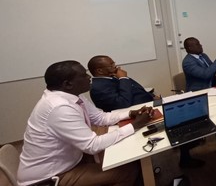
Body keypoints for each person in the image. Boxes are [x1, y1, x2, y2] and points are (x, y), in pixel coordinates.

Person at [17, 60, 153, 186]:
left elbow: (100, 117)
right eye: (84, 75)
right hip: (49, 178)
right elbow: (92, 145)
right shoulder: (59, 108)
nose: (89, 77)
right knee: (128, 169)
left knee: (122, 154)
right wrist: (134, 125)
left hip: (69, 160)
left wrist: (130, 114)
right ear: (67, 84)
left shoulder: (72, 95)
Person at [182, 37, 216, 145]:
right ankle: (203, 135)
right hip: (199, 91)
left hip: (213, 87)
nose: (201, 45)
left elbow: (212, 70)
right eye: (197, 44)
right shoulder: (187, 62)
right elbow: (205, 75)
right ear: (189, 48)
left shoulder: (203, 56)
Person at [87, 55, 157, 112]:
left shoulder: (112, 77)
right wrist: (123, 78)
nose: (115, 67)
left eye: (113, 63)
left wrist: (151, 96)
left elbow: (135, 89)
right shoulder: (98, 88)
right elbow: (122, 104)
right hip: (136, 113)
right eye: (111, 65)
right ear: (100, 71)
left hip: (149, 104)